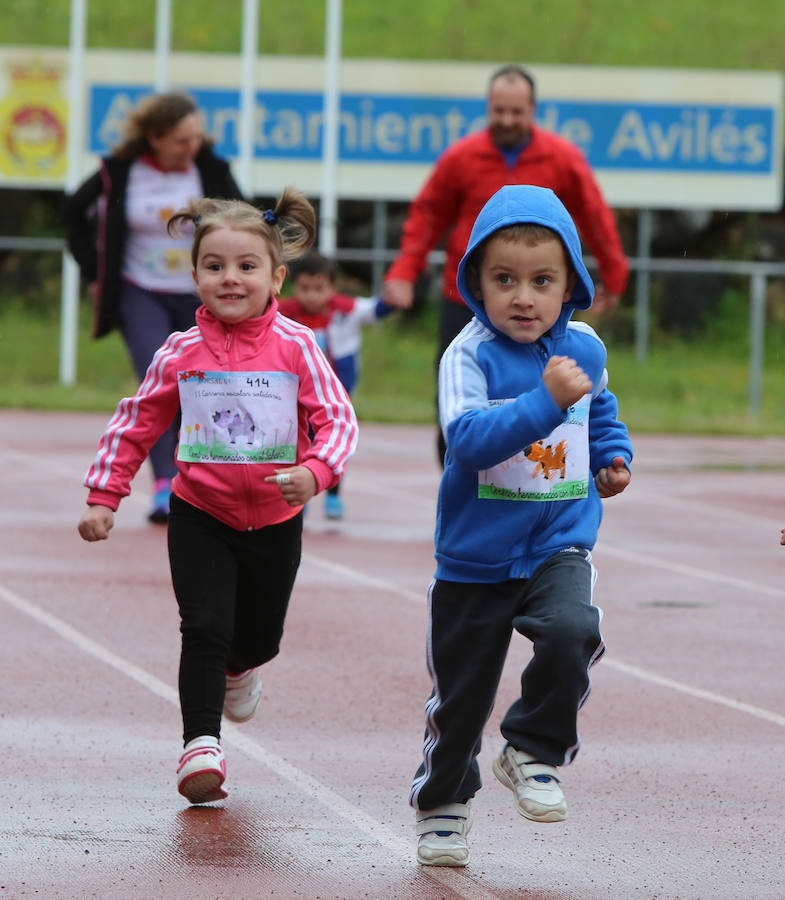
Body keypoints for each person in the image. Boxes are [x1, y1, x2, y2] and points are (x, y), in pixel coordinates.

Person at [76, 191, 359, 806]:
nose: (230, 278)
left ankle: (242, 668)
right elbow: (136, 422)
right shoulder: (181, 352)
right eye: (215, 266)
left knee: (258, 639)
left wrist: (314, 473)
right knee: (203, 626)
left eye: (247, 266)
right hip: (200, 510)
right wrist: (105, 496)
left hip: (277, 516)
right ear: (196, 274)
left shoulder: (297, 347)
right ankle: (200, 745)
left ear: (276, 276)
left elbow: (339, 421)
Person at [411, 184, 632, 867]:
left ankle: (532, 749)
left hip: (557, 541)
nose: (523, 298)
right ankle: (443, 801)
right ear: (476, 280)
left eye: (542, 281)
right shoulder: (467, 356)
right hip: (475, 558)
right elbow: (469, 442)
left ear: (569, 284)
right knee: (461, 699)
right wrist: (543, 402)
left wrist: (614, 454)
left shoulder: (585, 348)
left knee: (574, 632)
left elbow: (600, 408)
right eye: (503, 280)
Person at [383, 65, 629, 465]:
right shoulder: (461, 157)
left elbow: (595, 217)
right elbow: (427, 216)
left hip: (539, 306)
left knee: (542, 388)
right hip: (465, 299)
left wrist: (614, 277)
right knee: (459, 392)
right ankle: (461, 481)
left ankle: (537, 481)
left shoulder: (563, 158)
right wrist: (403, 271)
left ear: (533, 110)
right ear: (488, 108)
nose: (507, 120)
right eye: (499, 111)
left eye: (516, 112)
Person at [65, 91, 243, 522]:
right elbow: (74, 212)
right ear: (155, 138)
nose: (192, 148)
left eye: (196, 138)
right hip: (137, 289)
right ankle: (165, 484)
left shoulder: (210, 170)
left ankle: (206, 477)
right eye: (182, 140)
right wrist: (94, 274)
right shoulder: (119, 172)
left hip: (199, 293)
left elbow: (244, 218)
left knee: (202, 383)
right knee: (159, 377)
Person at [278, 250, 402, 520]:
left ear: (332, 288)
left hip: (335, 395)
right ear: (293, 286)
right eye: (305, 288)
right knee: (300, 442)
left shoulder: (345, 311)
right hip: (295, 396)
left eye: (319, 288)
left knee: (333, 441)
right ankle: (302, 493)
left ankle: (333, 495)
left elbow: (375, 309)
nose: (312, 295)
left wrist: (394, 296)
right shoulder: (282, 314)